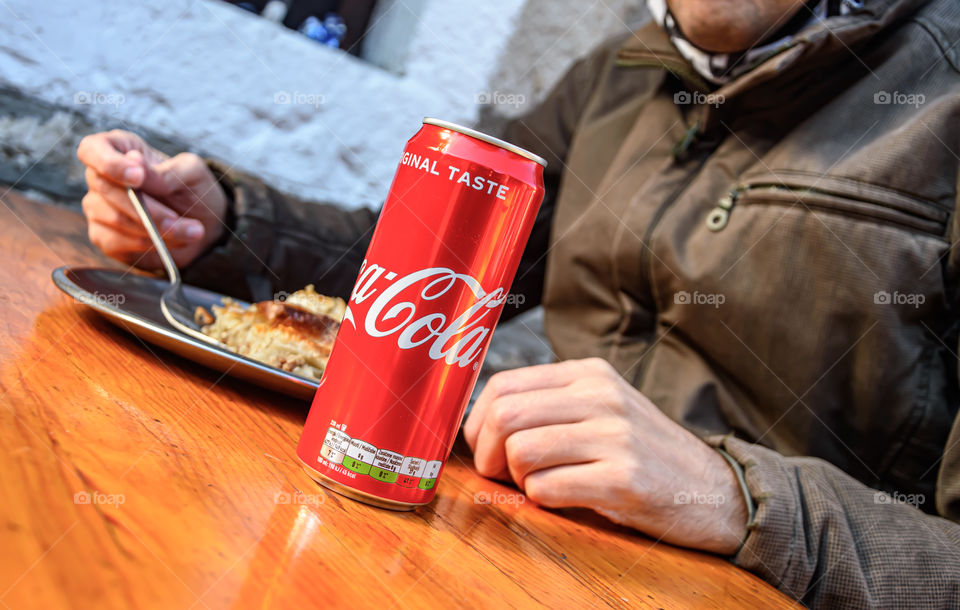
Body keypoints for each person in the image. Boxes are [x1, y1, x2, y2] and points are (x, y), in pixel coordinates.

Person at [76, 0, 960, 606]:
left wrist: (738, 498)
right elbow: (430, 269)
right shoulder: (624, 73)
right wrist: (227, 225)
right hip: (494, 549)